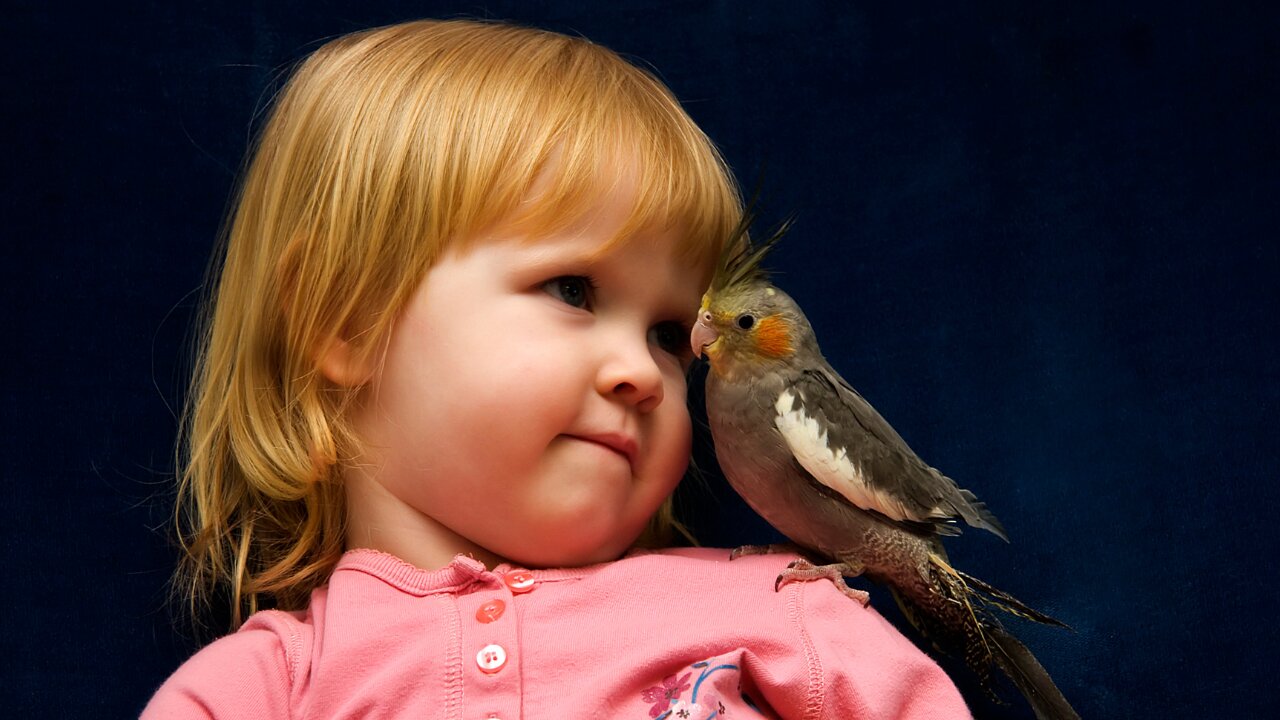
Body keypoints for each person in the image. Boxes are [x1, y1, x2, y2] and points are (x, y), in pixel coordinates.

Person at [143, 18, 971, 719]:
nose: (647, 374)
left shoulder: (779, 607)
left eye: (668, 334)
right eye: (573, 289)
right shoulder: (267, 686)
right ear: (347, 318)